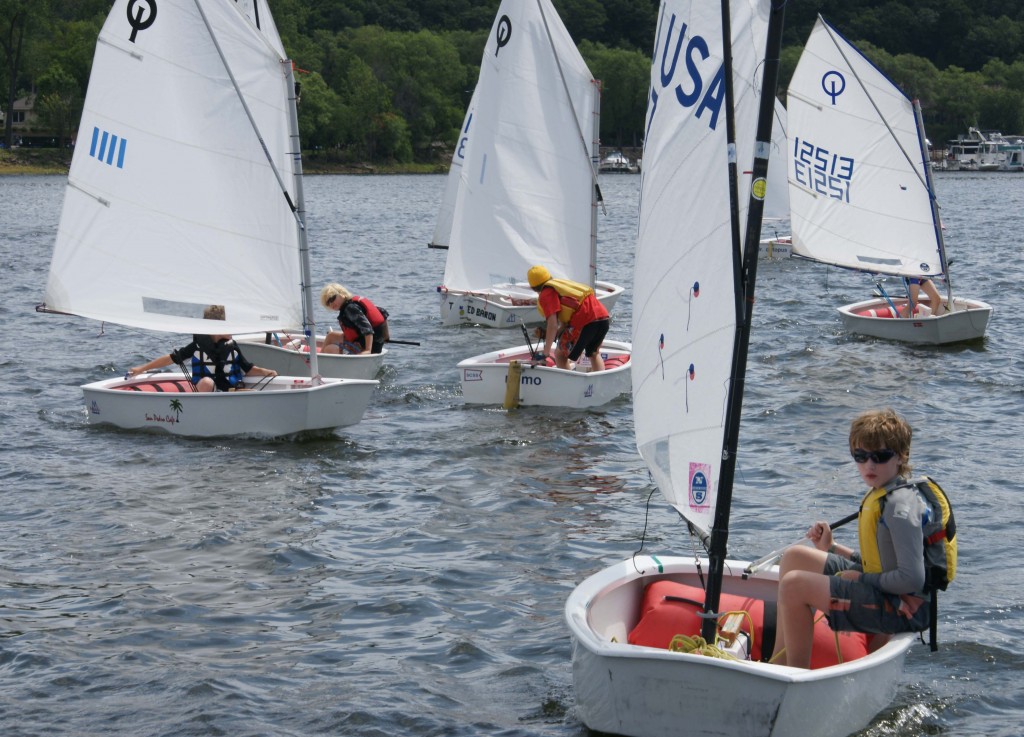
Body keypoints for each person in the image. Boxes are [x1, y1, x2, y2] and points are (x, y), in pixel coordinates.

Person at [769, 408, 933, 668]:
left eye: (880, 456)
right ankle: (778, 659)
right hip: (882, 588)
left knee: (794, 585)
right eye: (861, 455)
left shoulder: (900, 506)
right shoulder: (881, 493)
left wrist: (861, 579)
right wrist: (832, 548)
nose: (869, 464)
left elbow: (911, 578)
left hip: (901, 608)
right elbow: (878, 562)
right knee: (795, 557)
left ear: (901, 457)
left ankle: (793, 676)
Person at [127, 305, 278, 391]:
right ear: (215, 328)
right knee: (207, 382)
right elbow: (171, 359)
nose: (233, 328)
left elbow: (248, 368)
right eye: (229, 325)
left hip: (231, 392)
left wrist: (267, 372)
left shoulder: (232, 346)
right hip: (207, 395)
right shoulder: (198, 346)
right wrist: (141, 369)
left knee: (240, 387)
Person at [527, 265, 609, 372]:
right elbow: (564, 324)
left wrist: (546, 353)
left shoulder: (546, 294)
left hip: (585, 322)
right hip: (603, 317)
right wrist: (557, 334)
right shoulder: (559, 286)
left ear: (533, 288)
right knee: (593, 353)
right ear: (549, 277)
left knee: (560, 355)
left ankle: (569, 383)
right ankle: (599, 382)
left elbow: (553, 324)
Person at [320, 284, 390, 355]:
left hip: (369, 347)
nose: (331, 303)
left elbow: (367, 329)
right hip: (374, 341)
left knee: (328, 349)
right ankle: (320, 358)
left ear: (342, 293)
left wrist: (367, 350)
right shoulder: (353, 304)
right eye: (328, 303)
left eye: (332, 299)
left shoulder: (350, 309)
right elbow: (383, 312)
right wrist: (386, 336)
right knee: (331, 336)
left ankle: (319, 361)